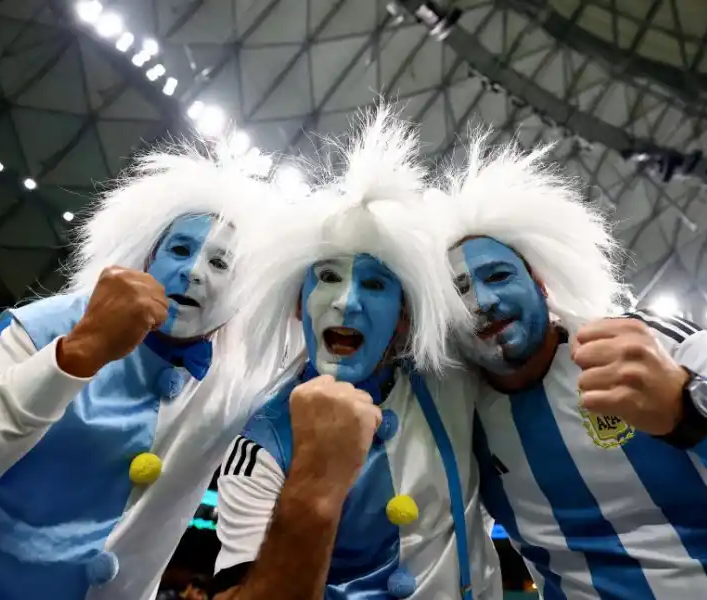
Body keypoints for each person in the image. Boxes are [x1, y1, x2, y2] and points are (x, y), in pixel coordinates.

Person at [428, 137, 707, 599]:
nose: (484, 301)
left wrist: (695, 409)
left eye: (498, 276)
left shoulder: (648, 340)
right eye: (458, 292)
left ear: (541, 284)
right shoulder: (457, 409)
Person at [0, 136, 292, 600]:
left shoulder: (237, 382)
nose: (194, 272)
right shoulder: (51, 325)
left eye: (221, 263)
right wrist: (73, 356)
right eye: (179, 250)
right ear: (145, 259)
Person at [210, 108, 501, 600]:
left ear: (404, 317)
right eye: (326, 277)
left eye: (374, 283)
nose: (347, 301)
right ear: (298, 305)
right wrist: (315, 483)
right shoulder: (261, 443)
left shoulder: (453, 379)